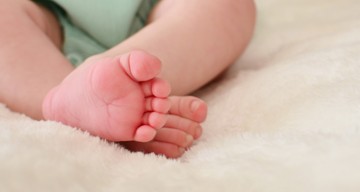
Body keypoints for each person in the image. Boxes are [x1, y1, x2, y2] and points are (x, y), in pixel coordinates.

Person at [0, 0, 256, 158]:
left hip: (155, 20)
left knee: (228, 5)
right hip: (47, 19)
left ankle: (130, 96)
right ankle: (64, 97)